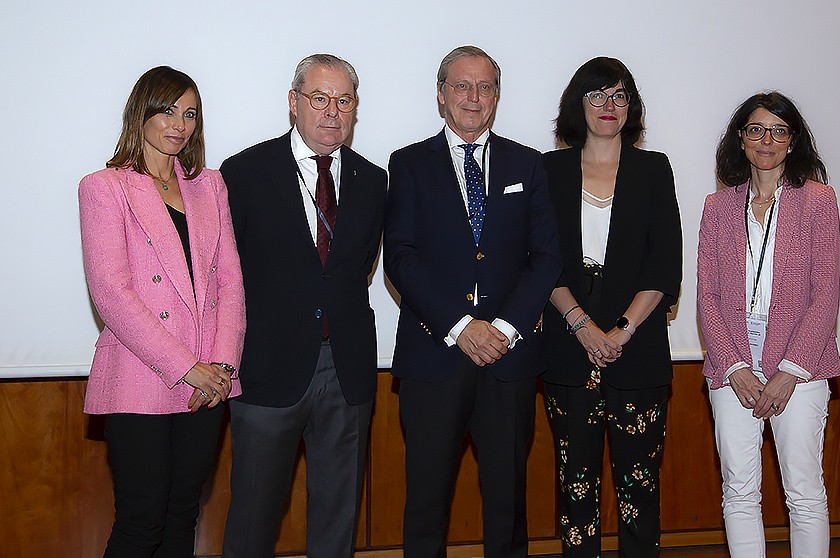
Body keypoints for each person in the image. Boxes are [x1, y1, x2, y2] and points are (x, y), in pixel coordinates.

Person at [384, 45, 562, 558]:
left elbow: (546, 257)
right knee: (426, 503)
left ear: (498, 96)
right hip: (433, 358)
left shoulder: (527, 164)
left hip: (510, 360)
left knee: (507, 504)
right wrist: (462, 326)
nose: (473, 97)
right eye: (461, 86)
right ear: (440, 95)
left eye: (485, 87)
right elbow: (401, 257)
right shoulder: (409, 164)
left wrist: (504, 328)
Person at [219, 54, 386, 558]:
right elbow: (224, 275)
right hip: (267, 369)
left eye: (344, 101)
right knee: (253, 518)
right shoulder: (244, 172)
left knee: (338, 520)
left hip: (347, 368)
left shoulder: (372, 180)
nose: (332, 112)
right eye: (319, 98)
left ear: (355, 109)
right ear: (294, 103)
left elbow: (357, 272)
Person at [79, 66, 245, 558]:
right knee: (141, 520)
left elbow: (229, 282)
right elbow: (112, 294)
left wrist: (220, 366)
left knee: (183, 515)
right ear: (142, 113)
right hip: (141, 378)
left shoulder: (209, 186)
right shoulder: (104, 187)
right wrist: (186, 368)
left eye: (190, 113)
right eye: (168, 109)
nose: (179, 123)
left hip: (207, 384)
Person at [541, 57, 682, 557]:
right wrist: (582, 325)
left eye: (619, 95)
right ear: (578, 104)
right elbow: (540, 262)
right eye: (597, 95)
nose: (608, 105)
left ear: (632, 106)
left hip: (637, 352)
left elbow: (664, 267)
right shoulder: (550, 169)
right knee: (575, 487)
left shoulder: (653, 169)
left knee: (639, 490)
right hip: (566, 349)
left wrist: (619, 331)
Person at [697, 91, 840, 558]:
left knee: (804, 492)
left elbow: (826, 296)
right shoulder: (718, 207)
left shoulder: (818, 201)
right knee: (739, 491)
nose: (767, 139)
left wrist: (790, 371)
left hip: (801, 370)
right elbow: (707, 297)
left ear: (792, 141)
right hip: (732, 367)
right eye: (756, 129)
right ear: (741, 139)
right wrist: (735, 366)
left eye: (778, 130)